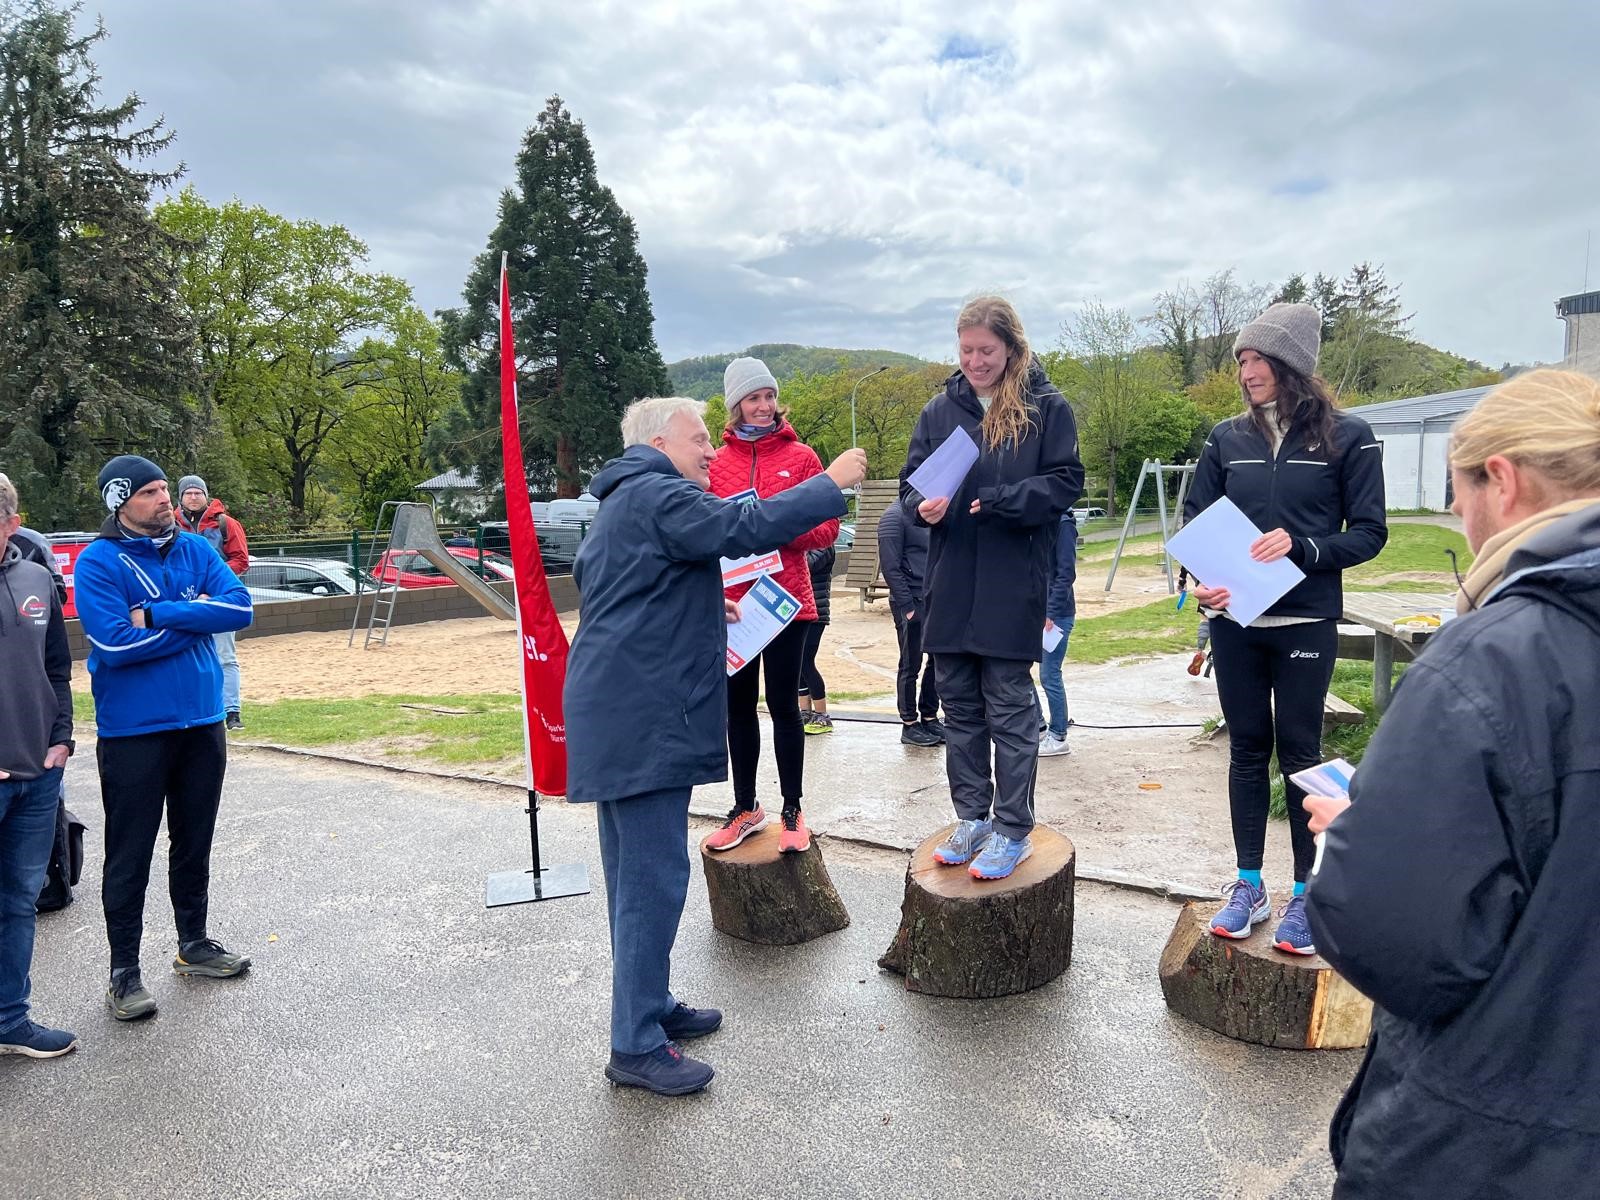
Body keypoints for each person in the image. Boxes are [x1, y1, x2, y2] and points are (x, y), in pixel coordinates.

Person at [1302, 369, 1600, 1197]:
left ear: (1500, 481)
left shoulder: (1495, 661)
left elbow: (1396, 941)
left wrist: (1364, 839)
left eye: (1457, 495)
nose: (1460, 521)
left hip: (1499, 1137)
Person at [565, 396, 865, 1097]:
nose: (709, 450)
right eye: (699, 438)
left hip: (620, 710)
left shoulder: (629, 499)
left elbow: (602, 578)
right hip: (638, 715)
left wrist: (697, 599)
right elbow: (744, 523)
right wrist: (831, 483)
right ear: (660, 441)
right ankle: (635, 1045)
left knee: (638, 875)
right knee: (651, 881)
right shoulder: (656, 493)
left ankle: (650, 1006)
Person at [1182, 302, 1387, 953]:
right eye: (1240, 360)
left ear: (1291, 362)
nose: (1245, 371)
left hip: (1305, 620)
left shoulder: (1349, 438)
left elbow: (1370, 534)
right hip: (1235, 623)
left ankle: (1308, 893)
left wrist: (1302, 547)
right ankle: (1249, 886)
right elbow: (1195, 523)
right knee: (1246, 748)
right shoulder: (1225, 439)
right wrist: (1198, 583)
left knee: (1303, 752)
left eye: (1255, 358)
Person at [901, 296, 1084, 881]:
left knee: (1009, 704)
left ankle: (1012, 828)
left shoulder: (1046, 407)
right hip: (951, 580)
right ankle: (972, 816)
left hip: (1012, 582)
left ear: (1011, 346)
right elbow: (912, 484)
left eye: (987, 350)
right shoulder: (939, 410)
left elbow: (1065, 482)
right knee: (958, 704)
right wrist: (920, 508)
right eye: (966, 350)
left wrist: (1006, 501)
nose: (976, 361)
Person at [74, 455, 255, 1021]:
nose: (165, 500)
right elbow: (115, 644)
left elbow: (240, 608)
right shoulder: (98, 563)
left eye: (164, 490)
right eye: (150, 492)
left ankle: (192, 942)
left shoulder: (197, 548)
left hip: (201, 722)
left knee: (194, 839)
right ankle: (123, 971)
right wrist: (196, 614)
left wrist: (155, 615)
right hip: (135, 732)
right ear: (119, 501)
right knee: (130, 852)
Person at [704, 357, 840, 855]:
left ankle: (792, 809)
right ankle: (745, 808)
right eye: (752, 398)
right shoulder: (715, 464)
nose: (763, 406)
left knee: (786, 705)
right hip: (736, 605)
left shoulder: (802, 457)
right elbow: (707, 530)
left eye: (768, 396)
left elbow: (827, 529)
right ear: (735, 403)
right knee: (737, 709)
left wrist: (777, 525)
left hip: (787, 602)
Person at [0, 473, 77, 1059]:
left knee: (20, 900)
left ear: (10, 522)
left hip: (38, 774)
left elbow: (57, 667)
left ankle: (10, 1019)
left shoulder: (34, 578)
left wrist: (61, 741)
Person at [175, 476, 250, 730]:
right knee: (183, 654)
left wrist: (211, 582)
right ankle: (197, 710)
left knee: (225, 656)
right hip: (183, 601)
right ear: (181, 497)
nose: (193, 497)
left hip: (220, 600)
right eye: (189, 493)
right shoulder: (169, 524)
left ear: (206, 495)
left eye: (198, 493)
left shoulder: (226, 524)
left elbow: (240, 560)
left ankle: (232, 711)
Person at [876, 501, 943, 747]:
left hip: (933, 597)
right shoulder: (893, 516)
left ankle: (929, 715)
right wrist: (908, 607)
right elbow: (890, 566)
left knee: (935, 660)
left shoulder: (928, 512)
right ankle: (909, 722)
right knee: (910, 663)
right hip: (911, 601)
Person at [1038, 509, 1078, 757]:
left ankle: (1058, 734)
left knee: (1050, 674)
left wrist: (1051, 611)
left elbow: (1065, 573)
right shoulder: (1043, 520)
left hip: (1056, 615)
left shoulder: (1063, 525)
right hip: (1036, 609)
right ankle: (1038, 723)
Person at [798, 542, 835, 734]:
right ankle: (805, 711)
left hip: (816, 613)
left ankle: (822, 715)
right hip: (799, 610)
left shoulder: (823, 545)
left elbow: (807, 565)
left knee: (806, 662)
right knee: (797, 663)